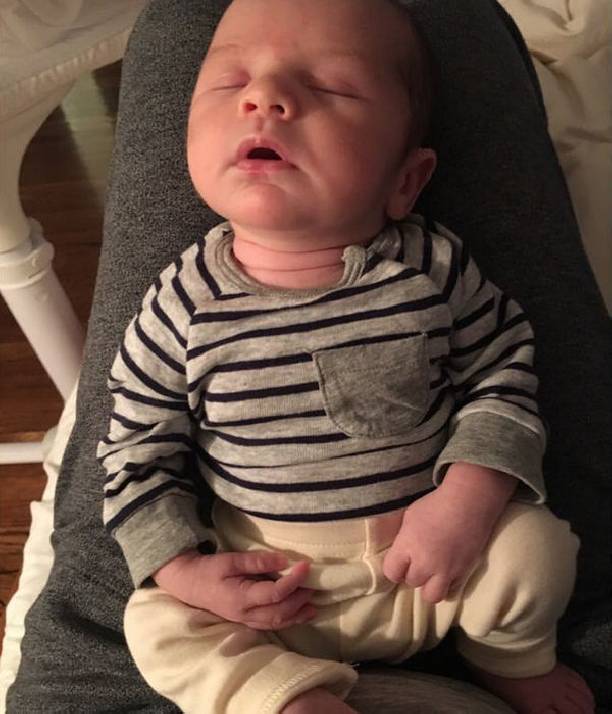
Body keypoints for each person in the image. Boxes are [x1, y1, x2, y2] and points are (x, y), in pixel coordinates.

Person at [97, 0, 595, 712]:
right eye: (230, 79)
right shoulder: (179, 305)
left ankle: (506, 657)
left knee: (538, 549)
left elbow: (504, 372)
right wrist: (183, 571)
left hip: (434, 570)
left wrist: (470, 495)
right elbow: (135, 448)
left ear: (406, 181)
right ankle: (284, 695)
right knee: (153, 623)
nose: (263, 98)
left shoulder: (431, 269)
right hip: (270, 596)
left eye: (329, 86)